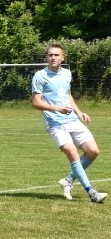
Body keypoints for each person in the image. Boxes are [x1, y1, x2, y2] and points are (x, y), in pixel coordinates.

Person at [31, 43, 106, 203]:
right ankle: (92, 192)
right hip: (55, 123)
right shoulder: (40, 76)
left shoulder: (67, 74)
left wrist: (79, 112)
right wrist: (56, 108)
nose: (53, 58)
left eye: (56, 55)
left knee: (93, 151)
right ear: (47, 57)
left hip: (71, 119)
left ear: (62, 57)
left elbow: (68, 95)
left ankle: (68, 180)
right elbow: (36, 102)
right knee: (73, 153)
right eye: (50, 55)